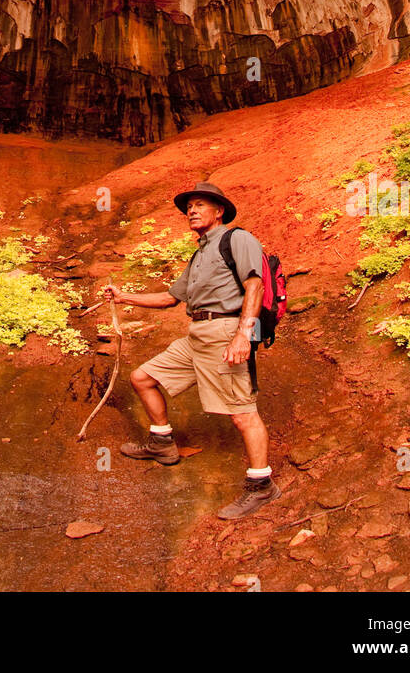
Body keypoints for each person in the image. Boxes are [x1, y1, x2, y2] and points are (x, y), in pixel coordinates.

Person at [102, 181, 280, 520]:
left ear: (219, 211)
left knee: (242, 413)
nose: (192, 211)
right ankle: (162, 443)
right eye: (189, 207)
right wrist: (124, 297)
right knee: (142, 378)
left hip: (225, 331)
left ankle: (262, 485)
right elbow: (171, 298)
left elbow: (254, 284)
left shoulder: (237, 239)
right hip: (196, 335)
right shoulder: (200, 253)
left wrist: (244, 335)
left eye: (200, 205)